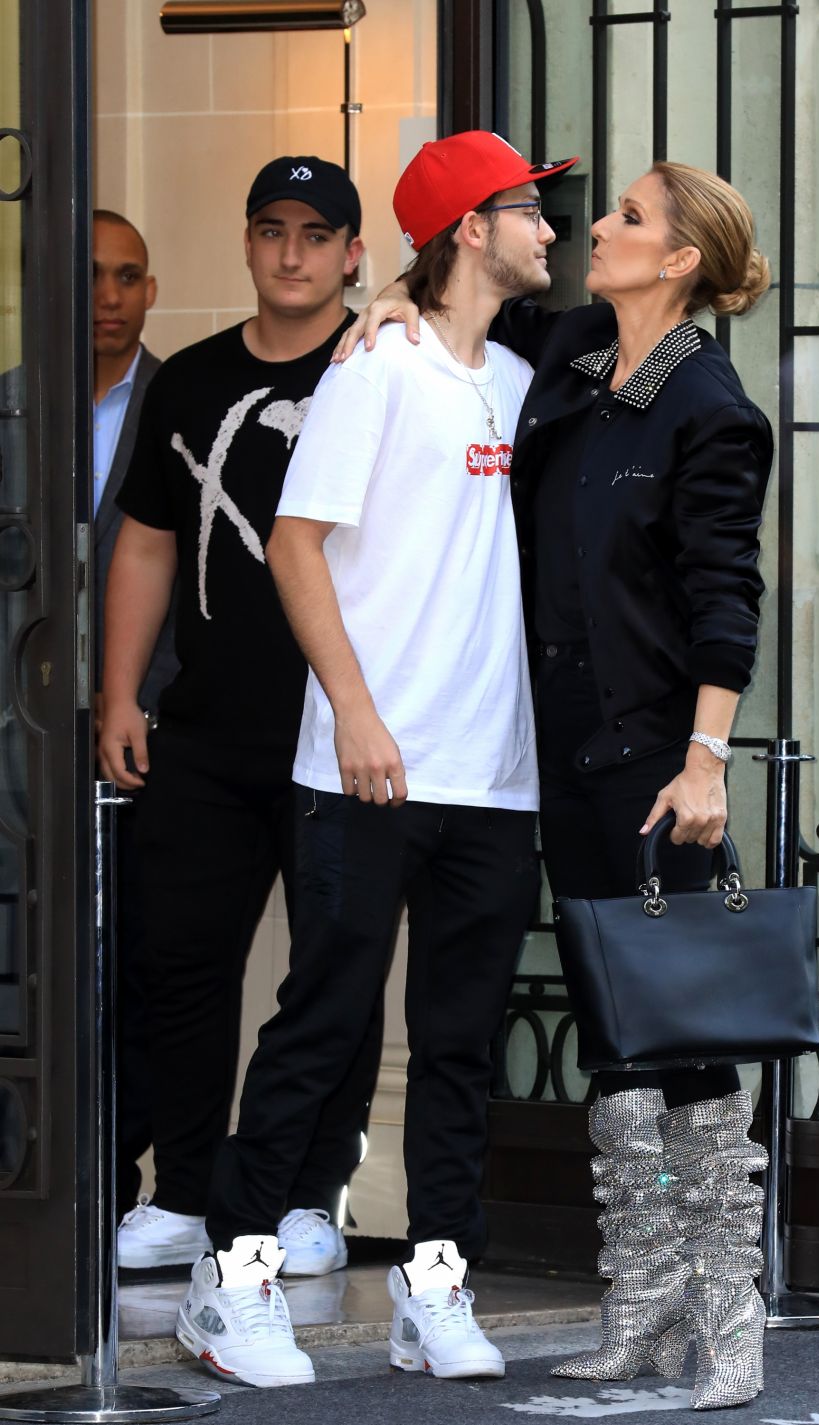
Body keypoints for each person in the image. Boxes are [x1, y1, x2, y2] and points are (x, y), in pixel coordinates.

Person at [342, 159, 774, 1411]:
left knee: (686, 1051)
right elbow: (454, 289)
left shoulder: (710, 406)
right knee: (614, 1052)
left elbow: (721, 596)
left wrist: (706, 760)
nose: (597, 227)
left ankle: (728, 1330)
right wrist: (380, 299)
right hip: (556, 762)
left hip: (654, 772)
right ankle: (639, 1317)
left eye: (628, 218)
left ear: (679, 258)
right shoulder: (576, 353)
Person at [175, 130, 577, 1391]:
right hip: (365, 768)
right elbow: (294, 545)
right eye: (529, 211)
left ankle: (435, 1287)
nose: (549, 232)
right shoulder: (375, 372)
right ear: (472, 226)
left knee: (457, 1043)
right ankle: (226, 1284)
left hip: (493, 780)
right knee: (321, 1022)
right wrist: (351, 710)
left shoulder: (514, 381)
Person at [99, 157, 383, 1278]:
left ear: (353, 252)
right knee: (182, 964)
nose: (294, 253)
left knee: (331, 974)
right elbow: (147, 540)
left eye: (319, 234)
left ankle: (311, 1197)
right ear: (249, 243)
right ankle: (180, 1194)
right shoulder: (193, 382)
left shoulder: (381, 369)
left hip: (340, 736)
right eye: (273, 230)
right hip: (206, 733)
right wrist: (121, 691)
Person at [92, 209, 177, 1216]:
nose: (107, 298)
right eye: (91, 278)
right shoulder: (12, 408)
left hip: (156, 732)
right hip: (24, 747)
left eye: (126, 278)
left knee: (147, 964)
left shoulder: (181, 402)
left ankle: (120, 1179)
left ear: (151, 291)